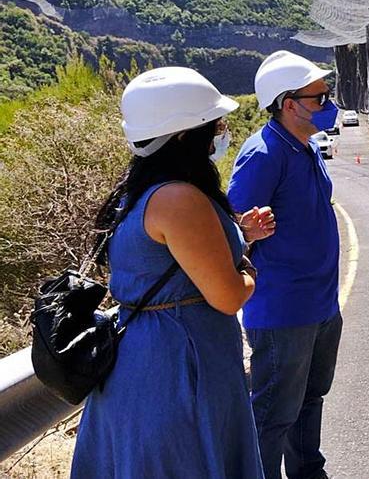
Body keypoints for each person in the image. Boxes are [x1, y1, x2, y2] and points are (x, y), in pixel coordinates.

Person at [72, 67, 275, 478]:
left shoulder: (142, 191)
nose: (221, 132)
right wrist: (246, 267)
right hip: (180, 367)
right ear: (184, 135)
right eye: (215, 125)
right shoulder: (179, 198)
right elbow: (229, 295)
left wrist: (237, 238)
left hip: (149, 361)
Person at [229, 51, 342, 479]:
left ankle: (308, 472)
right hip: (283, 311)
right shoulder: (264, 153)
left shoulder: (306, 146)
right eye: (318, 98)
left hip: (320, 305)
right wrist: (245, 228)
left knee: (310, 398)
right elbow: (232, 225)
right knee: (274, 413)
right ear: (288, 103)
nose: (327, 105)